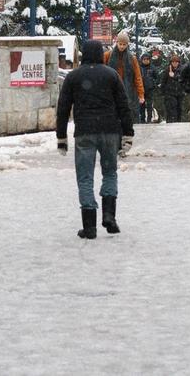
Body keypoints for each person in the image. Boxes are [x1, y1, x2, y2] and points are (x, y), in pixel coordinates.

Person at [56, 40, 135, 238]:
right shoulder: (111, 75)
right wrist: (128, 133)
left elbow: (63, 108)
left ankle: (89, 226)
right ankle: (109, 216)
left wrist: (61, 137)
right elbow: (123, 106)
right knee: (110, 173)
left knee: (85, 178)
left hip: (84, 133)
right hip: (109, 131)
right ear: (101, 54)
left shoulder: (73, 77)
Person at [105, 32, 145, 123]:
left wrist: (141, 94)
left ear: (127, 45)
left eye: (124, 44)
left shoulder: (132, 58)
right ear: (117, 43)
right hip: (112, 88)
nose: (122, 46)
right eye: (120, 44)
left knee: (126, 111)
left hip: (128, 89)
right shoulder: (108, 56)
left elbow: (137, 77)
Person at [143, 48, 165, 124]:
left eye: (147, 59)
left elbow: (158, 78)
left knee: (149, 105)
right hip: (141, 89)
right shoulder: (139, 67)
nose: (146, 60)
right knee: (141, 105)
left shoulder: (153, 68)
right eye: (144, 59)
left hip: (150, 89)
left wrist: (153, 83)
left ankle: (149, 118)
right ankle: (142, 119)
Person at [160, 54, 184, 123]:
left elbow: (183, 79)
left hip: (179, 93)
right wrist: (163, 92)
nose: (174, 63)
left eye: (176, 62)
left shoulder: (182, 69)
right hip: (170, 93)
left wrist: (174, 76)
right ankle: (171, 122)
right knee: (171, 109)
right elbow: (163, 81)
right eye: (173, 62)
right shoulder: (167, 70)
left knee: (179, 109)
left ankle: (178, 123)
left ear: (178, 62)